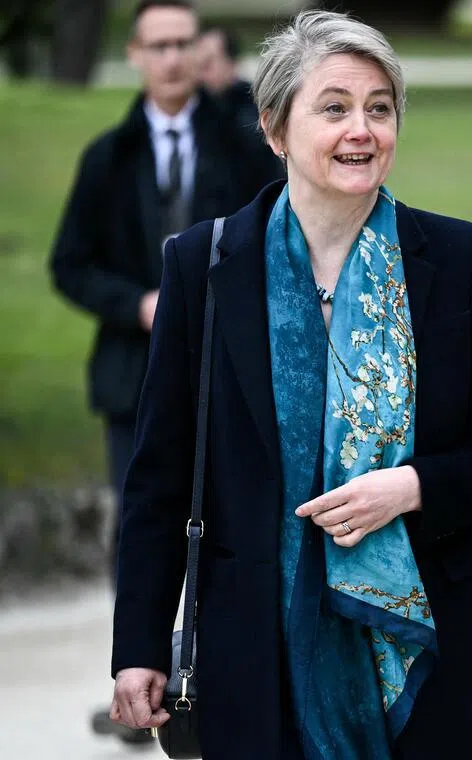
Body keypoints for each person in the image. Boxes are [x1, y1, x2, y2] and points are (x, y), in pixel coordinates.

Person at [108, 10, 472, 759]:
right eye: (335, 108)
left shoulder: (455, 257)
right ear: (275, 128)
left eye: (380, 108)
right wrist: (139, 646)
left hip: (430, 645)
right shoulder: (202, 266)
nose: (362, 131)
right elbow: (160, 477)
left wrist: (411, 488)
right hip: (254, 645)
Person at [49, 0, 280, 744]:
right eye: (160, 45)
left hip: (231, 368)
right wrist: (138, 304)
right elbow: (70, 264)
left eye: (185, 43)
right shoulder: (107, 158)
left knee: (233, 522)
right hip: (133, 370)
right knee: (143, 518)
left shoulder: (243, 146)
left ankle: (212, 674)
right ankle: (145, 668)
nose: (174, 58)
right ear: (136, 54)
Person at [197, 23, 259, 134]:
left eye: (206, 65)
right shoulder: (191, 106)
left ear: (231, 65)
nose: (198, 75)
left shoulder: (253, 112)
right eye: (195, 65)